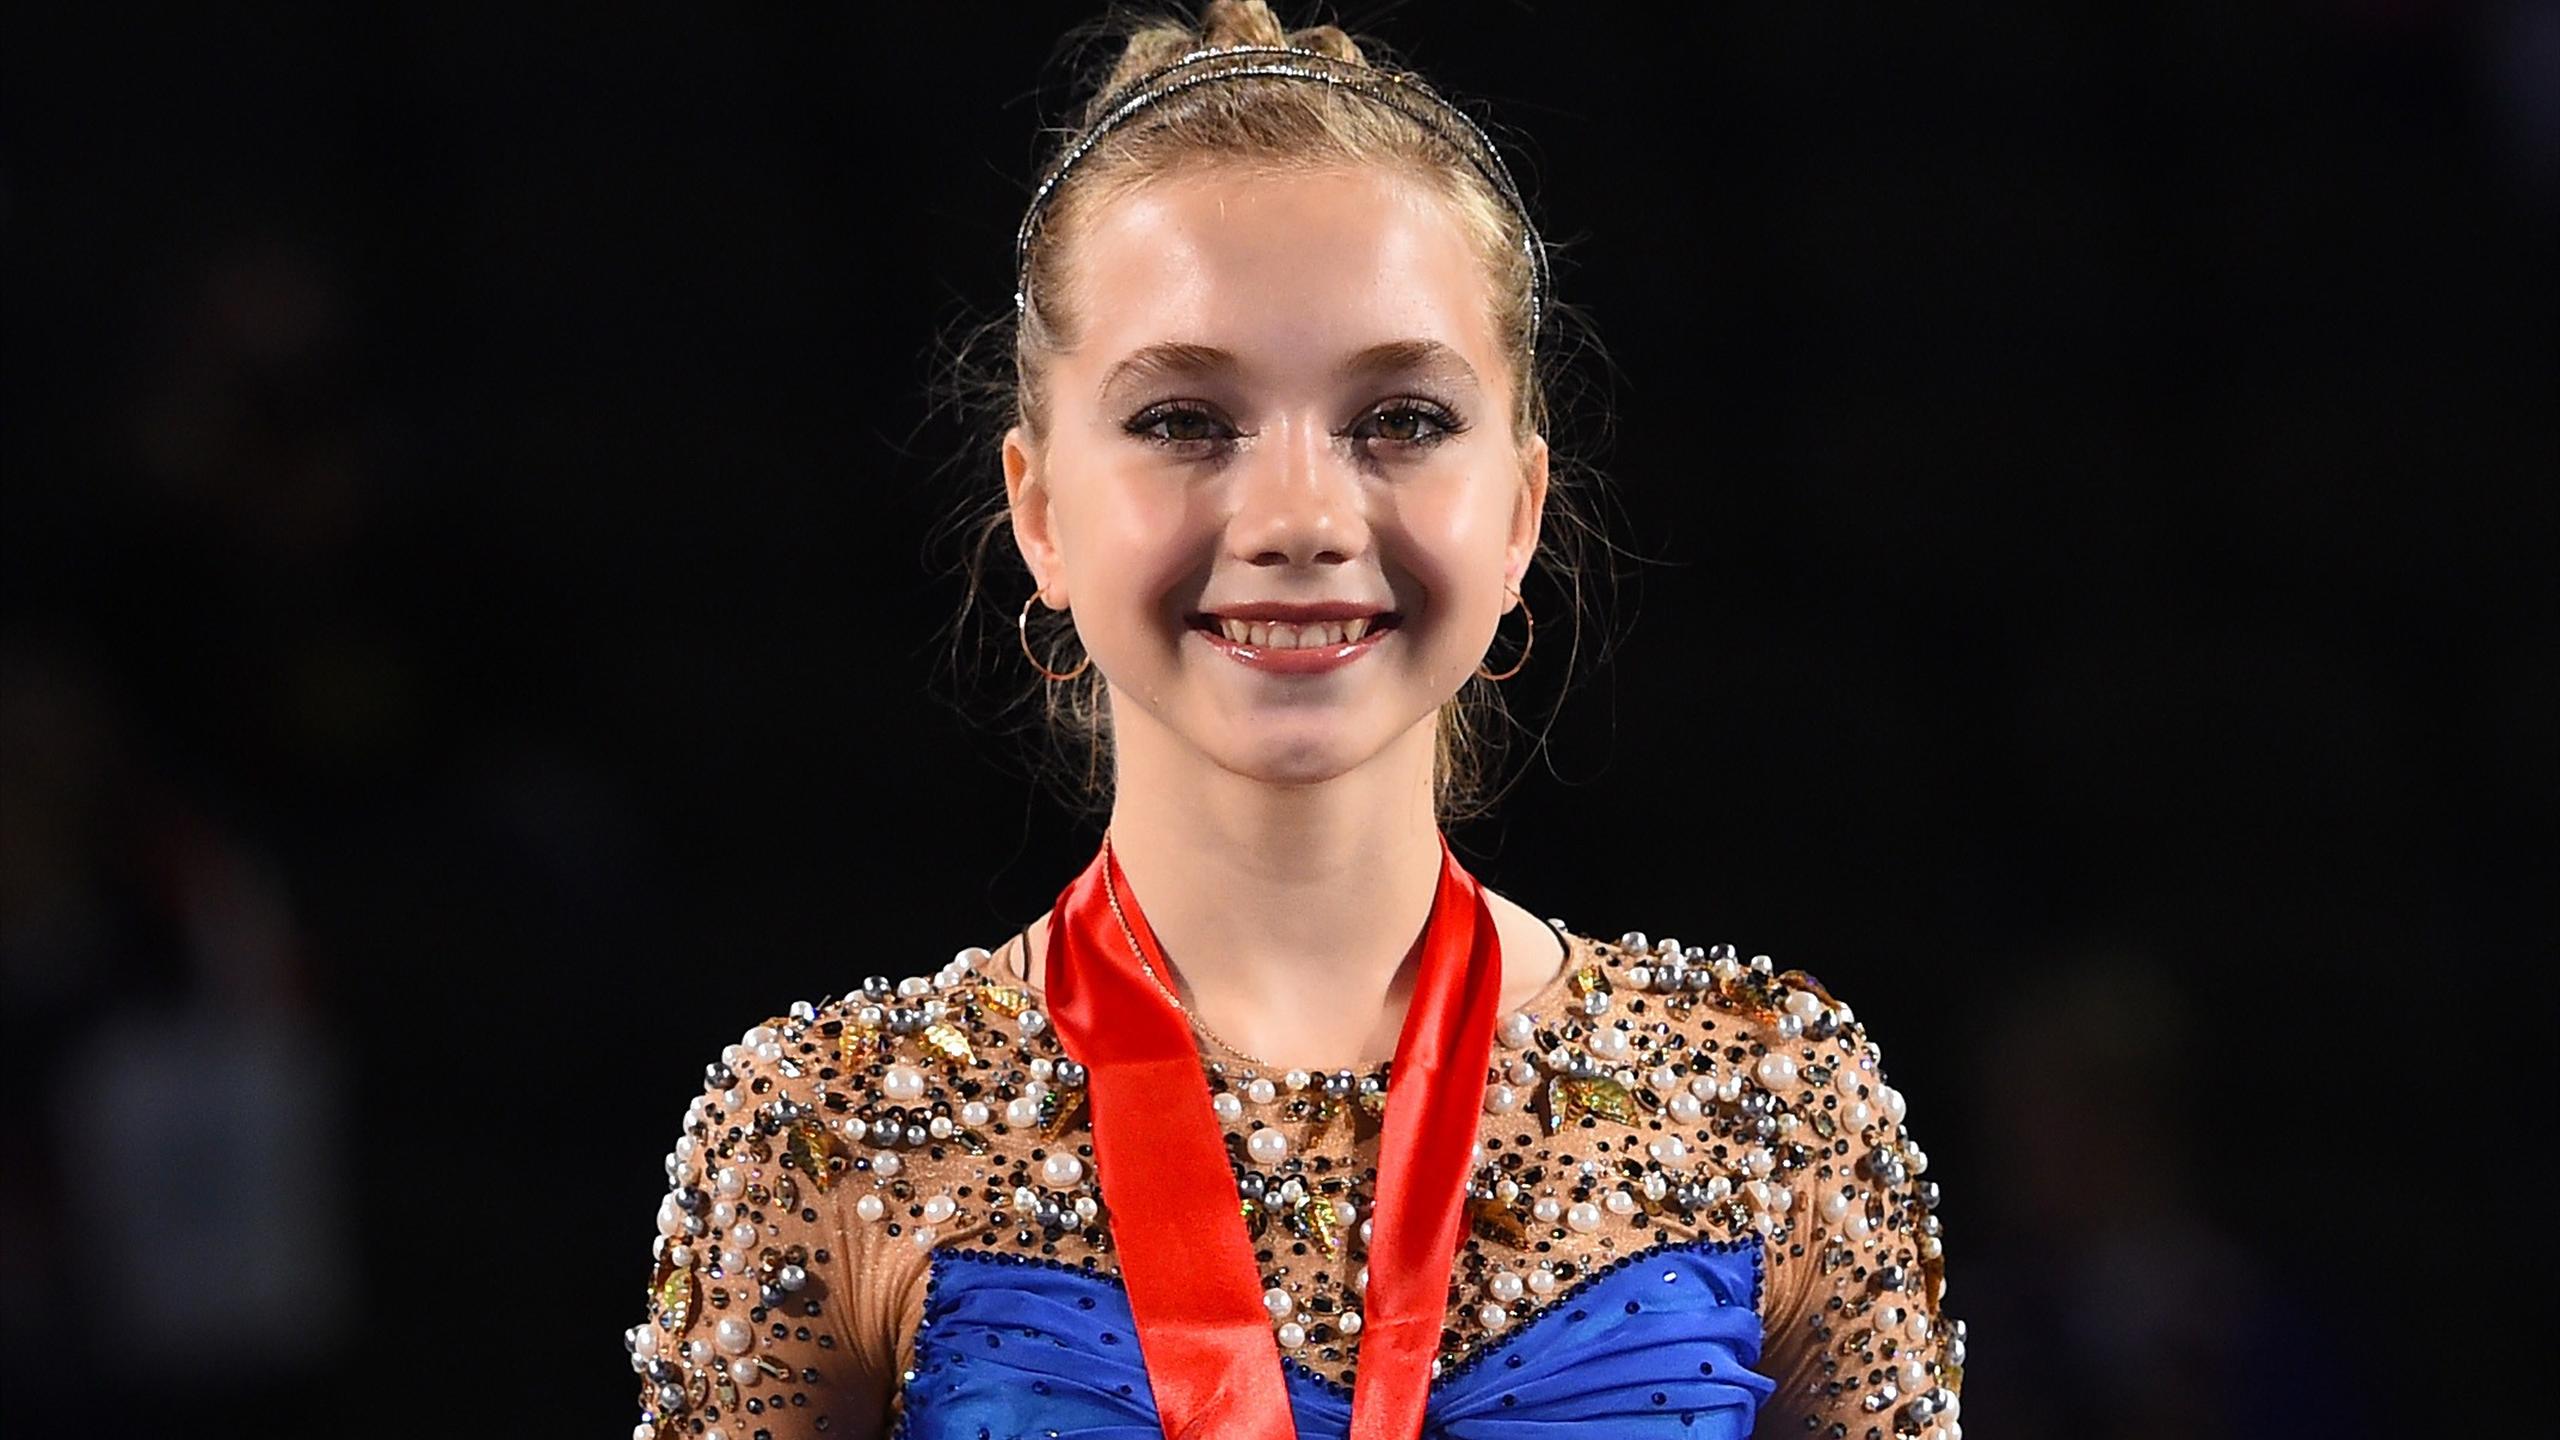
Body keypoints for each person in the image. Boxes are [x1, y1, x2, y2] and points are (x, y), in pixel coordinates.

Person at [623, 4, 1964, 1437]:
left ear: (1520, 510)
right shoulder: (822, 1133)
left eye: (1402, 419)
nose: (1300, 517)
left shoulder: (1775, 1099)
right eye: (1183, 421)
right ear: (1041, 509)